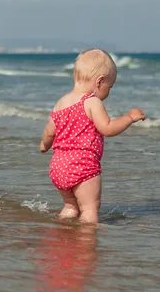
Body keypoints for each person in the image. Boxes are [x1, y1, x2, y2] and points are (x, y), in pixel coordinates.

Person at [40, 48, 145, 224]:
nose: (108, 92)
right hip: (83, 166)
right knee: (89, 209)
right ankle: (87, 243)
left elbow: (49, 132)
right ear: (99, 82)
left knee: (70, 207)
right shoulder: (91, 102)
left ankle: (61, 233)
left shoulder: (61, 102)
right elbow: (108, 128)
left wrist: (44, 146)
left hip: (58, 166)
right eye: (109, 87)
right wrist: (130, 118)